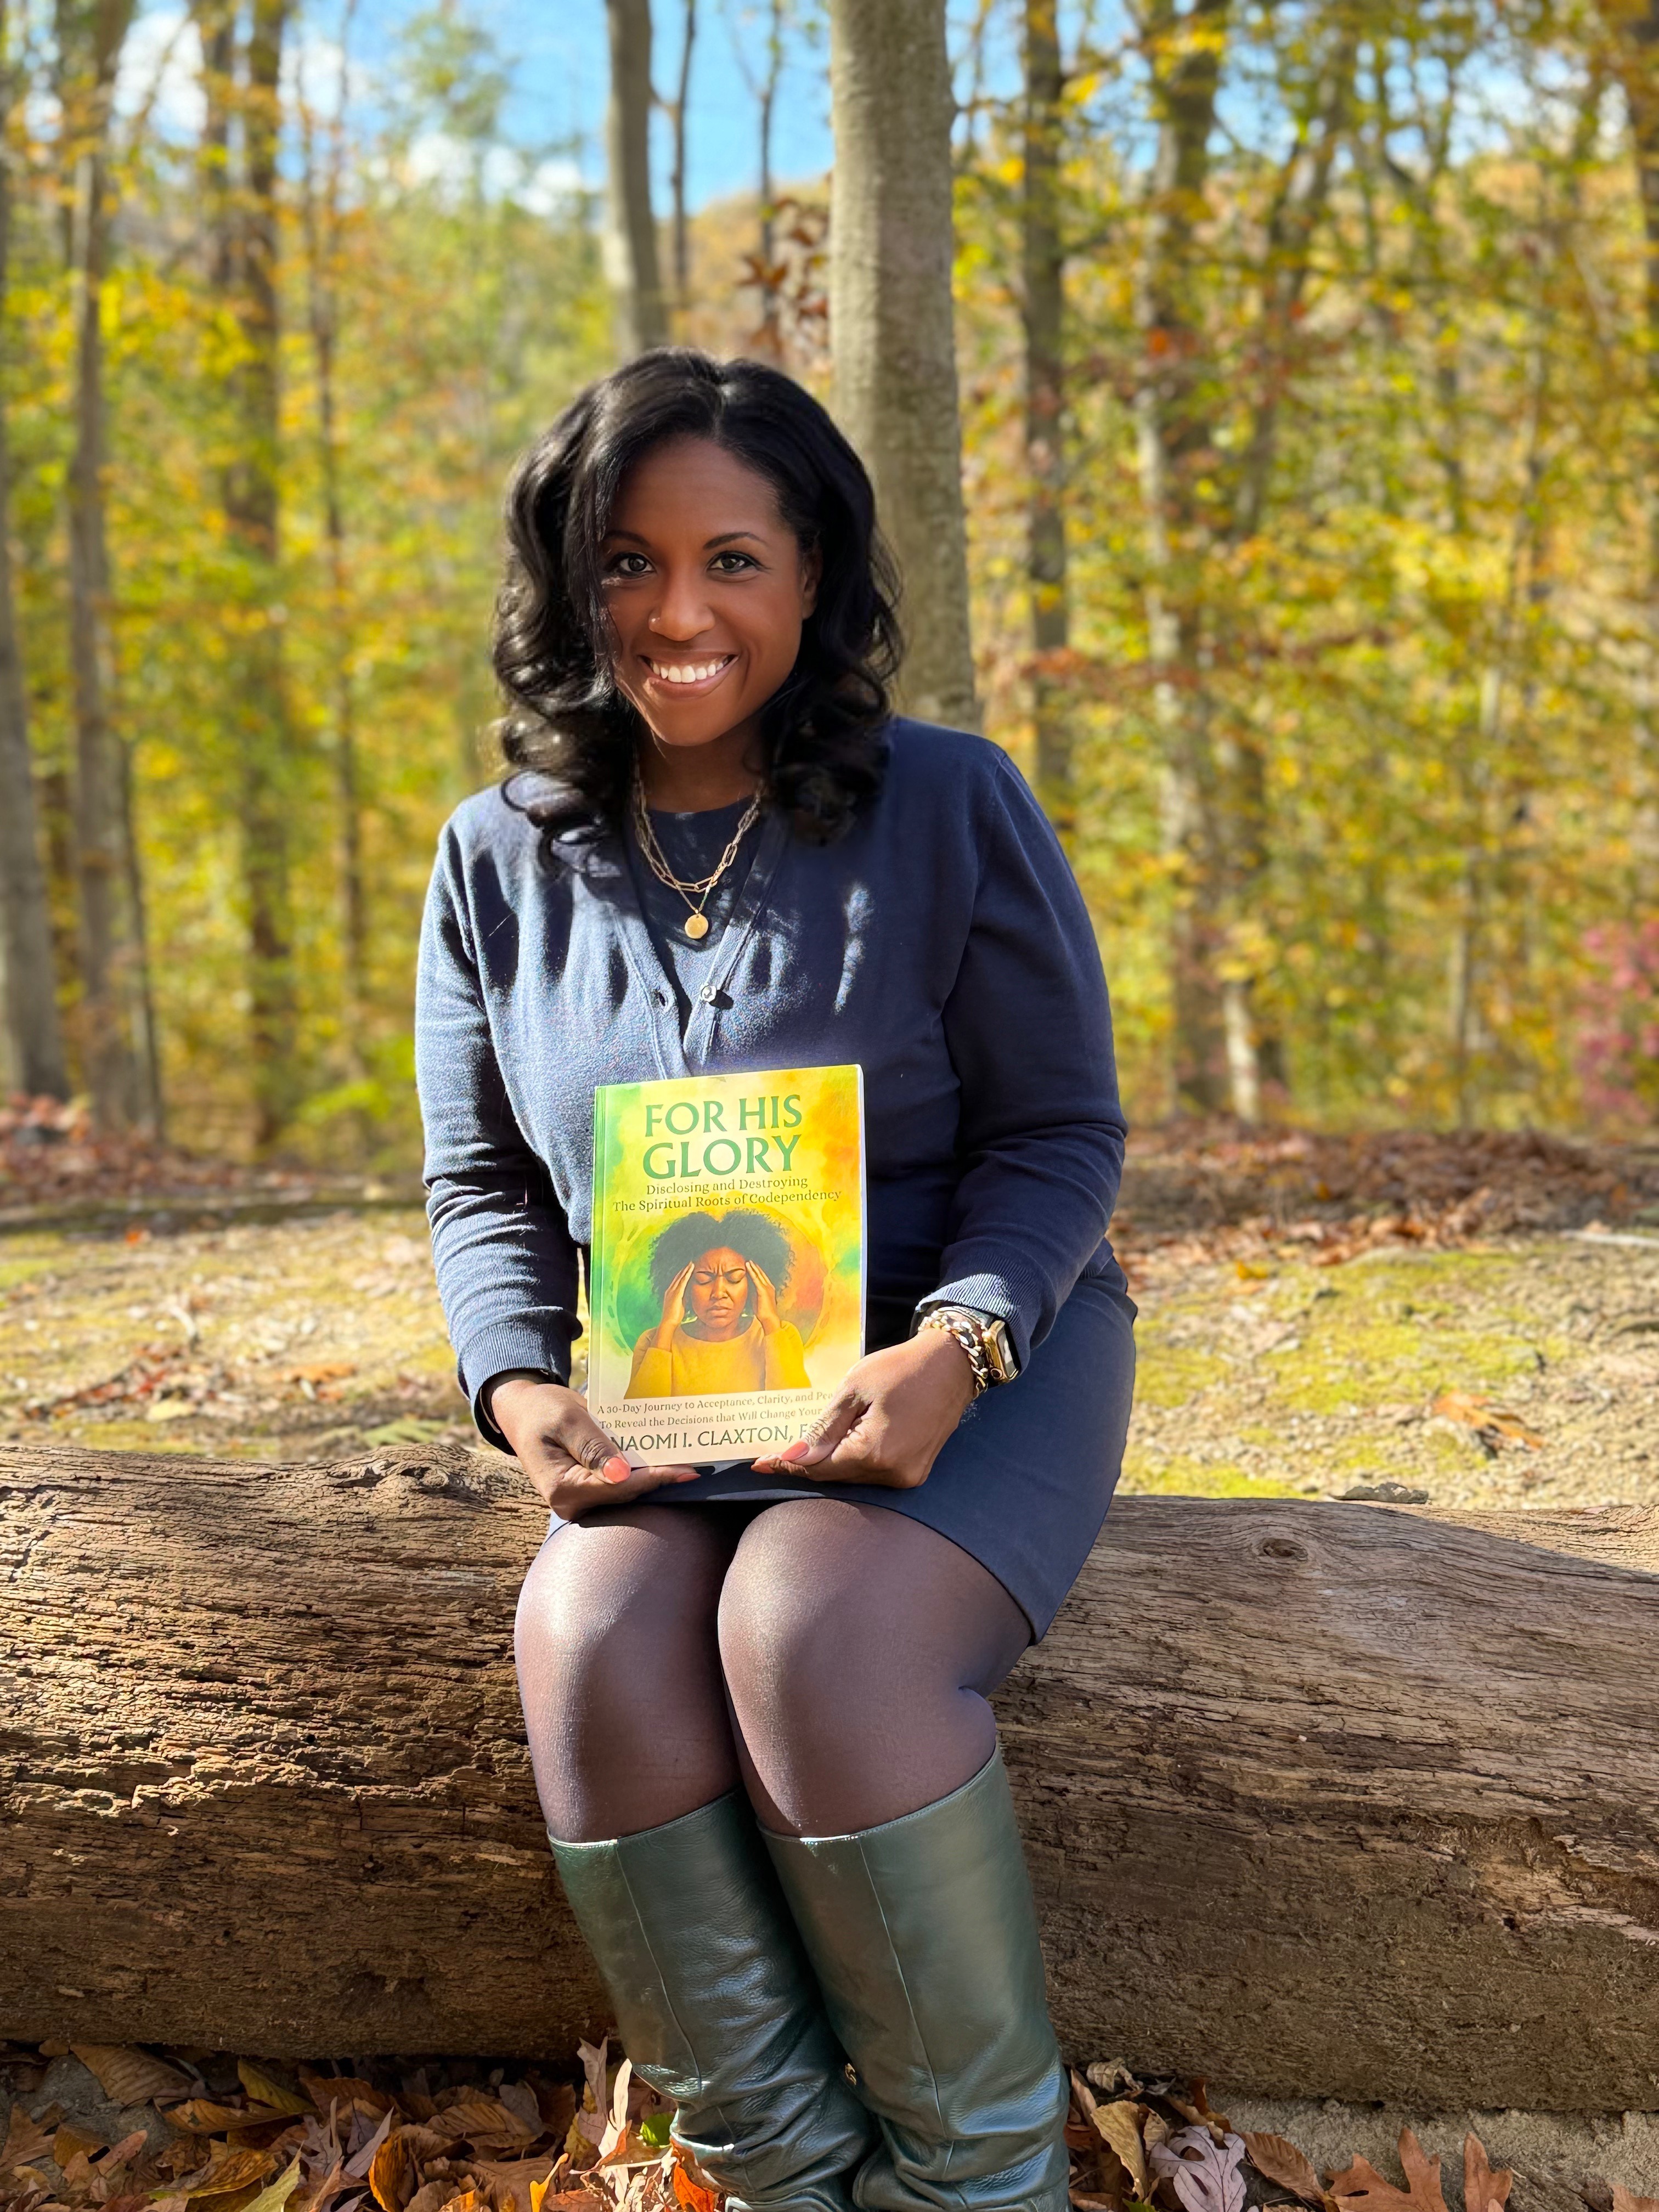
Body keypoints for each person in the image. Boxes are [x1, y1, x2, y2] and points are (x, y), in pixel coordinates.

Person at [416, 349, 1136, 2212]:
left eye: (731, 558)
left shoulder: (950, 806)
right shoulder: (496, 862)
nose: (677, 612)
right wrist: (520, 1391)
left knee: (807, 1624)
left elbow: (1058, 1138)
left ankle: (980, 2189)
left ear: (812, 573)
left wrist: (957, 1348)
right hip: (674, 1394)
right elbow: (484, 1186)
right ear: (566, 586)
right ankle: (782, 2180)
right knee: (582, 1640)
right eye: (625, 563)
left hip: (970, 1355)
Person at [627, 1209, 811, 1398]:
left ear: (754, 1284)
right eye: (704, 1279)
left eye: (735, 1278)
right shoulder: (653, 1342)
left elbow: (795, 1409)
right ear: (683, 1285)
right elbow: (639, 1418)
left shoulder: (782, 1336)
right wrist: (667, 1326)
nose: (719, 1293)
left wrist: (770, 1321)